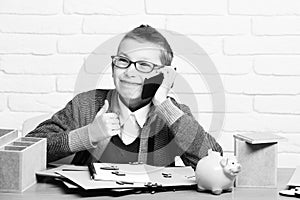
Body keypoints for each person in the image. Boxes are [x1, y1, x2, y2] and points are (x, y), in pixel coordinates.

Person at [26, 25, 222, 169]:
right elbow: (29, 149)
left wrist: (163, 104)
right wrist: (88, 135)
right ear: (113, 67)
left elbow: (213, 160)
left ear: (164, 75)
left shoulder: (173, 114)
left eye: (144, 65)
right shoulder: (85, 105)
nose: (129, 72)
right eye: (123, 61)